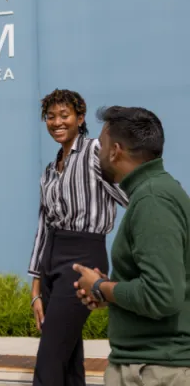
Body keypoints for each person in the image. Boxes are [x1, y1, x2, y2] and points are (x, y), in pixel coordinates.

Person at [74, 106, 190, 386]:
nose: (97, 152)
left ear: (115, 150)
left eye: (100, 145)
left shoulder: (153, 200)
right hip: (152, 366)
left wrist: (99, 287)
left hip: (154, 370)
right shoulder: (154, 192)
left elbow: (162, 295)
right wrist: (111, 292)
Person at [28, 89, 128, 386]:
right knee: (68, 359)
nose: (56, 122)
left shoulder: (96, 151)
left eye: (64, 115)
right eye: (50, 117)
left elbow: (130, 195)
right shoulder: (49, 171)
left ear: (80, 118)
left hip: (83, 257)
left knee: (49, 359)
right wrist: (35, 288)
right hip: (51, 260)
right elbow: (42, 228)